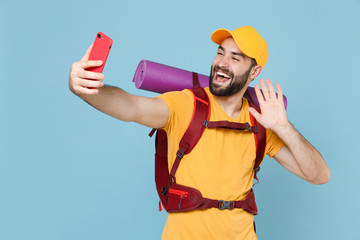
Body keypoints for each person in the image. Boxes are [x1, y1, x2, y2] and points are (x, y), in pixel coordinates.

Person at [69, 26, 330, 240]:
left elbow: (318, 175)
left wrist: (284, 127)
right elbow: (132, 107)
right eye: (220, 53)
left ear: (255, 72)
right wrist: (87, 89)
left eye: (235, 58)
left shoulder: (262, 122)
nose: (222, 63)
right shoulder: (185, 104)